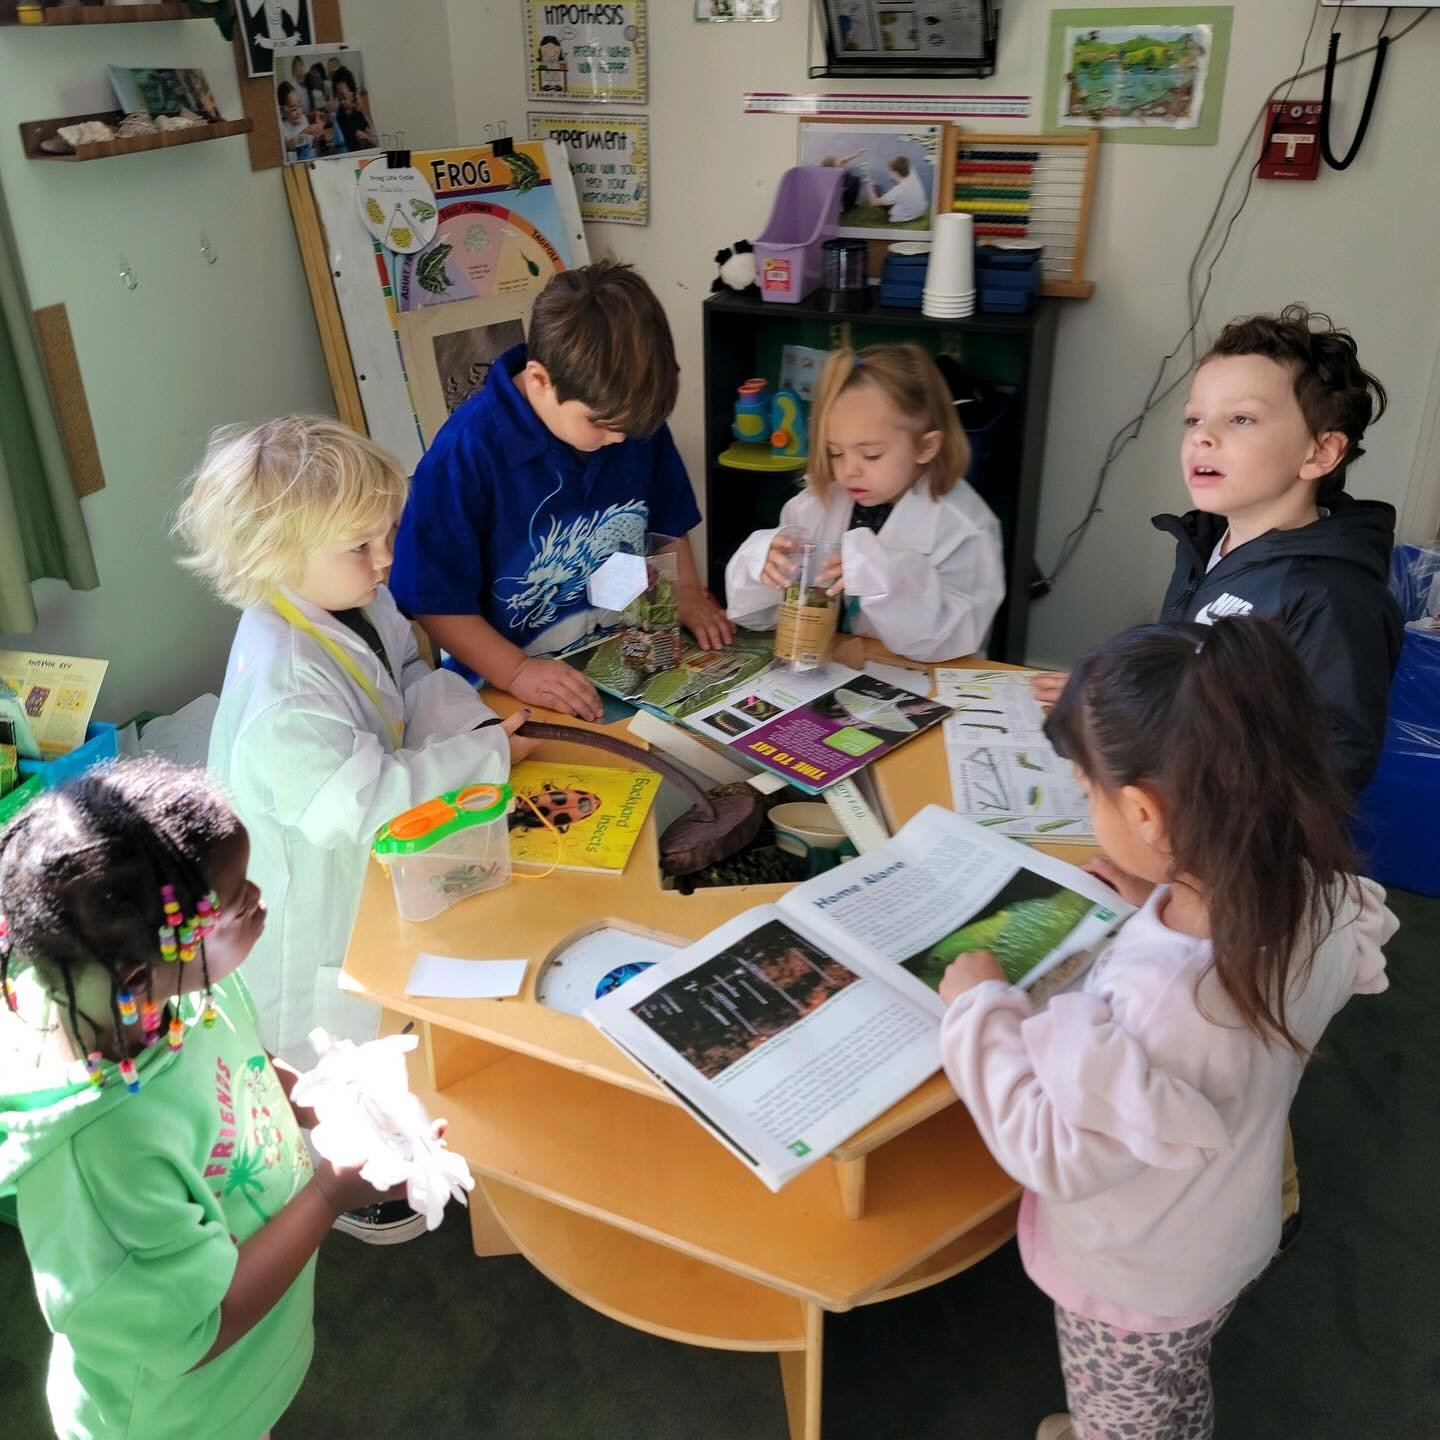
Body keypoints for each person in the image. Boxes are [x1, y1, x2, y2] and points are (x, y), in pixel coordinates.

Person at [939, 619, 1395, 1440]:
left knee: (1127, 1414)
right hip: (1225, 1230)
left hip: (1137, 1276)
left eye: (1087, 791)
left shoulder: (1165, 1004)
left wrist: (978, 1009)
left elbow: (1051, 1147)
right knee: (1173, 1387)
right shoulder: (1314, 896)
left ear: (1146, 812)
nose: (1086, 804)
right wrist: (1144, 908)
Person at [176, 417, 528, 1247]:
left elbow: (414, 678)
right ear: (274, 557)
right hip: (307, 895)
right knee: (326, 1044)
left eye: (387, 536)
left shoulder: (352, 601)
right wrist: (483, 758)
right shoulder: (284, 694)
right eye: (358, 547)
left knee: (382, 1015)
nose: (384, 562)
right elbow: (370, 805)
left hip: (358, 855)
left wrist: (475, 730)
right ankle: (346, 1180)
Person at [0, 759, 408, 1440]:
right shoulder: (99, 1160)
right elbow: (198, 1327)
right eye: (234, 902)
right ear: (138, 971)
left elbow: (241, 1051)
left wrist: (313, 1098)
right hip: (178, 1417)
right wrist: (330, 1197)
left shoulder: (175, 987)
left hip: (248, 1369)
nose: (257, 898)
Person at [1033, 305, 1401, 796]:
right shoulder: (1209, 545)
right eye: (1194, 418)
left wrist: (1164, 738)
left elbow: (1333, 765)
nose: (1203, 436)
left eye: (1242, 418)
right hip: (1173, 801)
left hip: (1233, 847)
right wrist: (1118, 695)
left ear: (1319, 452)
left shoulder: (1331, 597)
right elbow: (1190, 677)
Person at [390, 260, 731, 720]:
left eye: (630, 429)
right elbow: (433, 602)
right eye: (602, 425)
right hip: (508, 688)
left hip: (625, 653)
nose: (619, 440)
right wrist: (516, 672)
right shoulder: (464, 455)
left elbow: (667, 521)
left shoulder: (626, 421)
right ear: (539, 382)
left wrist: (686, 588)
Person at [725, 344, 1004, 663]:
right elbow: (759, 617)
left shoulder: (966, 529)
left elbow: (952, 641)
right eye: (835, 452)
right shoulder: (814, 507)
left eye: (871, 454)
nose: (848, 471)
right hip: (828, 673)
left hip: (924, 681)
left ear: (926, 447)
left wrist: (890, 579)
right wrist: (759, 566)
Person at [866, 155, 928, 224]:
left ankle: (892, 213)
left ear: (895, 172)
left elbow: (874, 203)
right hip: (919, 212)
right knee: (896, 194)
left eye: (890, 170)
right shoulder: (913, 174)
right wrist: (893, 176)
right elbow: (902, 166)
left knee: (877, 189)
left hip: (902, 218)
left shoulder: (897, 191)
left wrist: (869, 187)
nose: (889, 172)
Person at [330, 68, 374, 151]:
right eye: (339, 98)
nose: (342, 102)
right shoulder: (339, 115)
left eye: (344, 97)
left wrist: (367, 137)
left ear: (352, 92)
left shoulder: (364, 107)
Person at [277, 81, 321, 162]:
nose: (298, 112)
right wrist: (305, 132)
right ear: (282, 111)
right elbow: (288, 146)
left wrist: (317, 133)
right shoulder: (283, 127)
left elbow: (311, 145)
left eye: (300, 106)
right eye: (293, 109)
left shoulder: (303, 119)